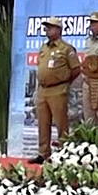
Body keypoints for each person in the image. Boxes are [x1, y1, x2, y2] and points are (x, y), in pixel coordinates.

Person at [33, 18, 80, 163]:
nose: (47, 30)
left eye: (51, 27)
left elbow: (76, 69)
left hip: (58, 89)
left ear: (59, 29)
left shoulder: (66, 48)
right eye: (46, 27)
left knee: (61, 123)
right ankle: (43, 153)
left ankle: (64, 152)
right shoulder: (44, 48)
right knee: (43, 122)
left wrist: (64, 82)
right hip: (43, 90)